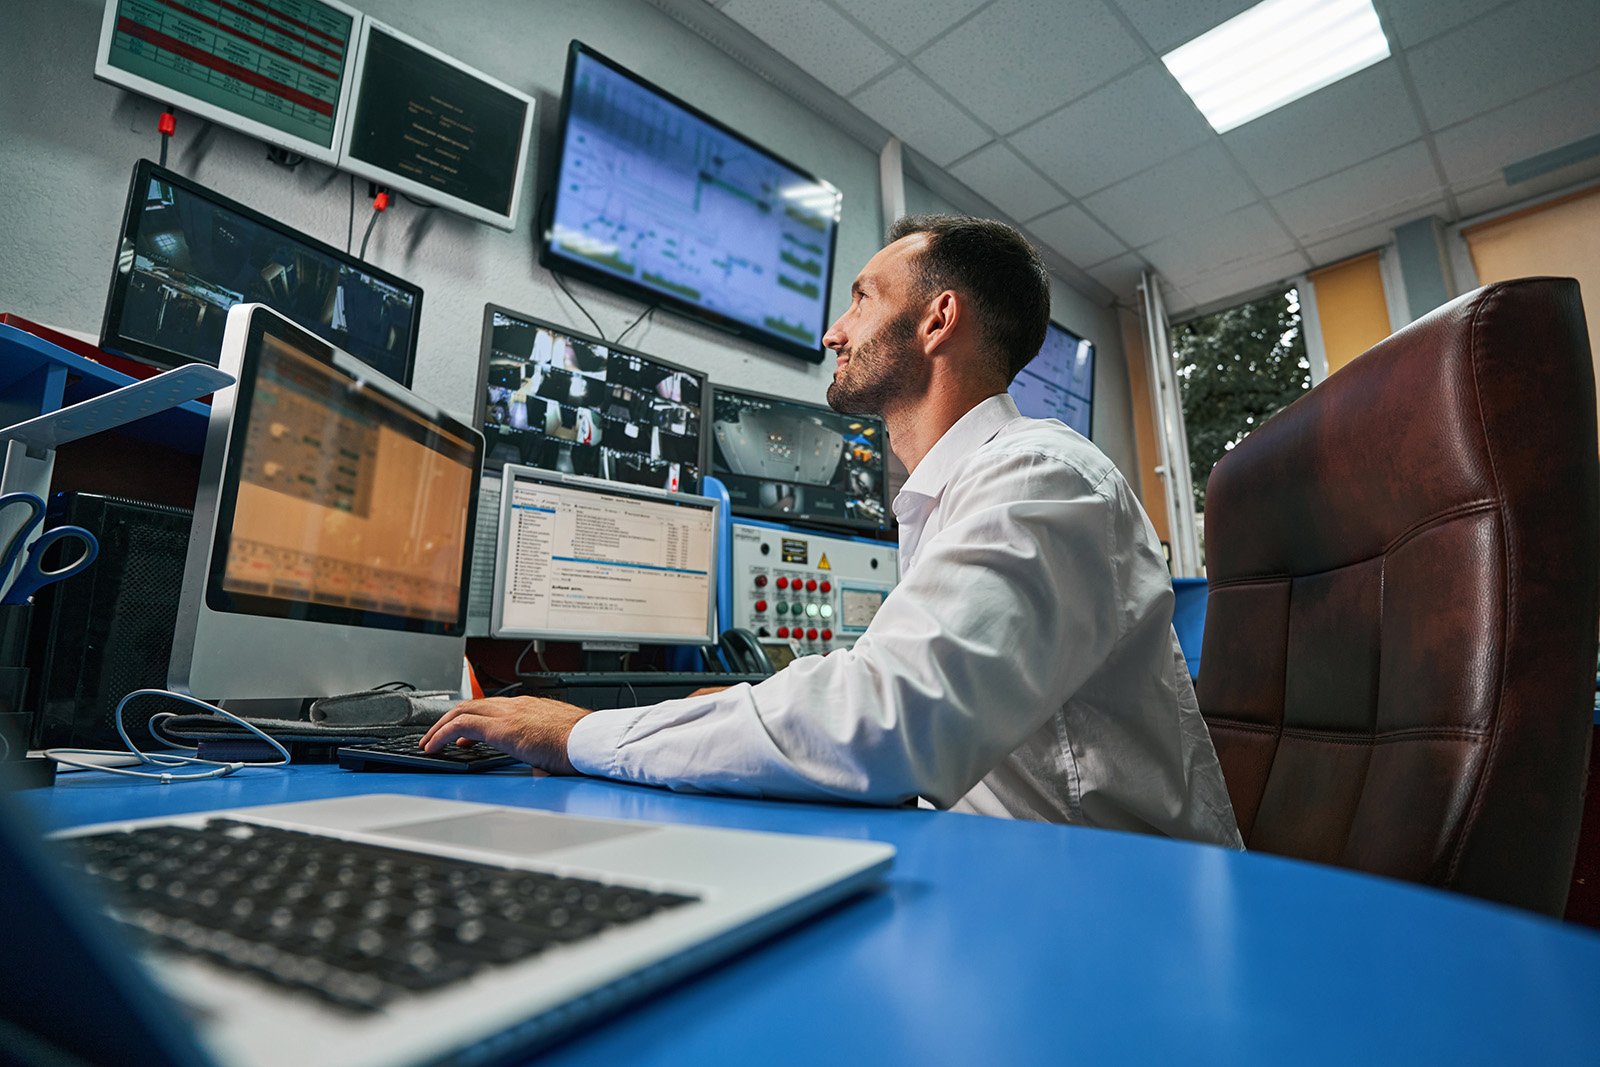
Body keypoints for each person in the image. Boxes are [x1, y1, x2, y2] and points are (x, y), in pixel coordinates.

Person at [424, 215, 1241, 846]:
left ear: (936, 320)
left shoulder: (1039, 477)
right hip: (1029, 884)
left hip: (1116, 920)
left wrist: (581, 733)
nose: (833, 331)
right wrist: (744, 708)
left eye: (861, 299)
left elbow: (882, 722)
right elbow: (886, 693)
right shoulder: (963, 494)